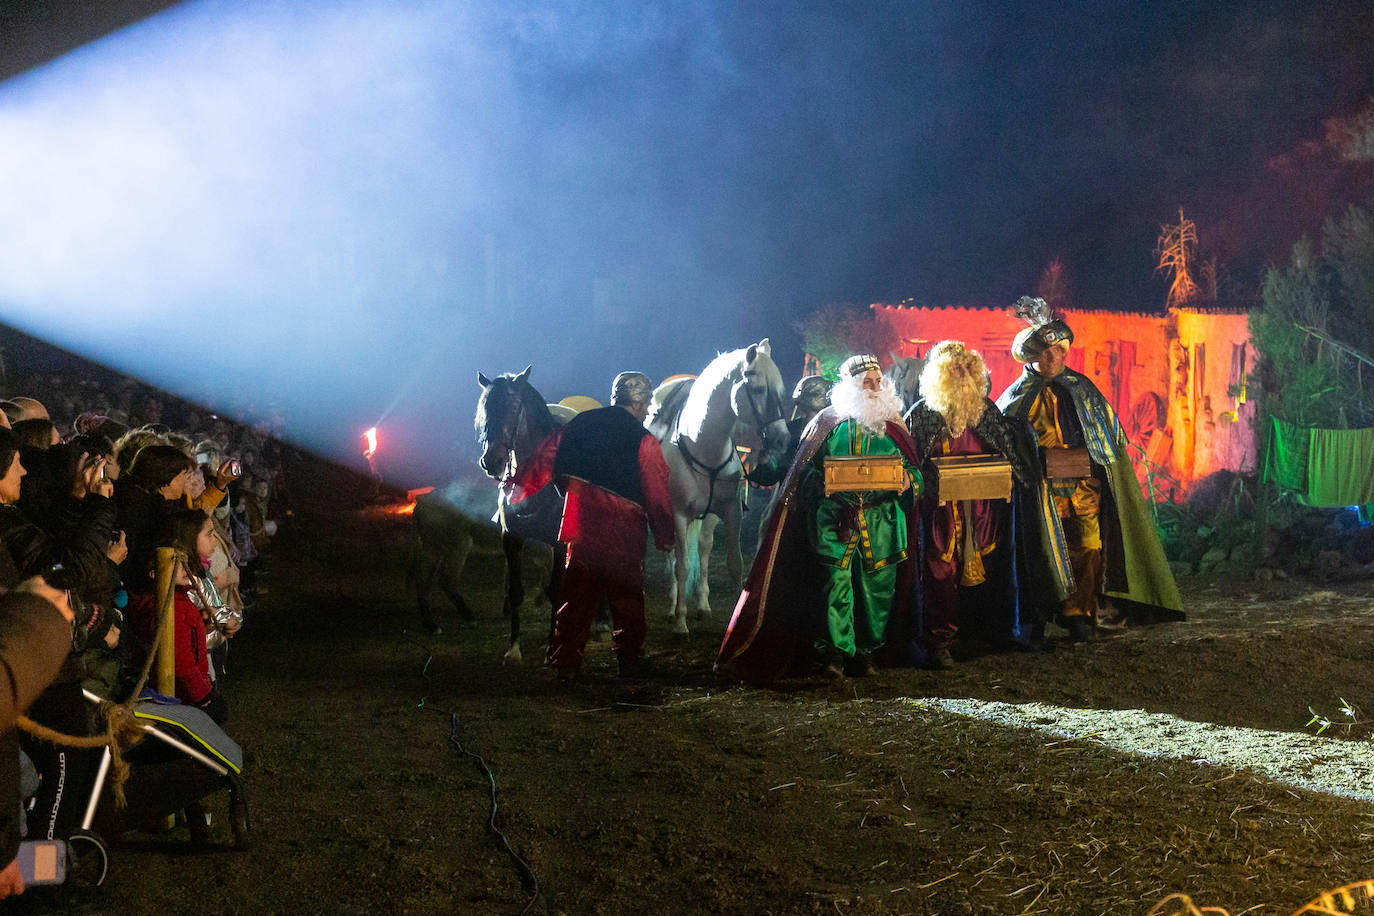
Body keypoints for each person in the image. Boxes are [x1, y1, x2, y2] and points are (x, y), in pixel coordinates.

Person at [717, 355, 921, 683]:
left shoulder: (894, 424)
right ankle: (837, 654)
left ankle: (865, 652)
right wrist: (822, 482)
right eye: (866, 382)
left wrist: (910, 480)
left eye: (877, 382)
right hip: (833, 522)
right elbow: (803, 474)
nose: (873, 387)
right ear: (851, 385)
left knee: (876, 591)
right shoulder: (826, 423)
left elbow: (915, 470)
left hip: (882, 523)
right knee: (836, 586)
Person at [996, 296, 1183, 640]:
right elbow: (1003, 446)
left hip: (1083, 492)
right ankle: (1036, 618)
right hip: (1040, 494)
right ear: (1033, 356)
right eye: (1045, 353)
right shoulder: (1014, 398)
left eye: (1058, 353)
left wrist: (1094, 463)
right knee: (1039, 550)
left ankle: (1077, 614)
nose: (1053, 359)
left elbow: (1108, 440)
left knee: (1089, 547)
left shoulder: (1083, 390)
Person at [903, 341, 1072, 668]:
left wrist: (1011, 478)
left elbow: (1010, 454)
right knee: (941, 573)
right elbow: (913, 463)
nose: (961, 375)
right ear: (940, 374)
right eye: (954, 369)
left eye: (966, 368)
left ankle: (985, 632)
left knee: (992, 569)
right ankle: (940, 643)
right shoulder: (923, 414)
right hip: (942, 513)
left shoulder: (986, 410)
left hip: (984, 510)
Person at [546, 372, 675, 679]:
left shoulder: (579, 424)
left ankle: (566, 663)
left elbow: (557, 467)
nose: (646, 411)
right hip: (624, 525)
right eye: (646, 405)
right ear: (639, 401)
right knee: (627, 595)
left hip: (582, 521)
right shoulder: (644, 440)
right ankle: (629, 661)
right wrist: (665, 534)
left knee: (575, 594)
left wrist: (574, 500)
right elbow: (656, 491)